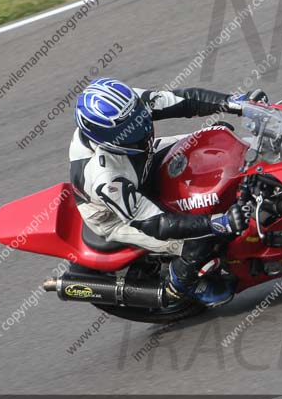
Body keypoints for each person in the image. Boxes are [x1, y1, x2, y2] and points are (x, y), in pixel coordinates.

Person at [70, 77, 266, 307]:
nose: (141, 127)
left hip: (141, 162)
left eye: (138, 118)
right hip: (116, 215)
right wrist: (219, 222)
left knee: (219, 136)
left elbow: (185, 101)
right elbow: (156, 224)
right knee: (201, 239)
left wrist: (237, 103)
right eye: (127, 129)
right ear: (104, 138)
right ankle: (182, 282)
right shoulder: (105, 177)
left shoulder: (128, 107)